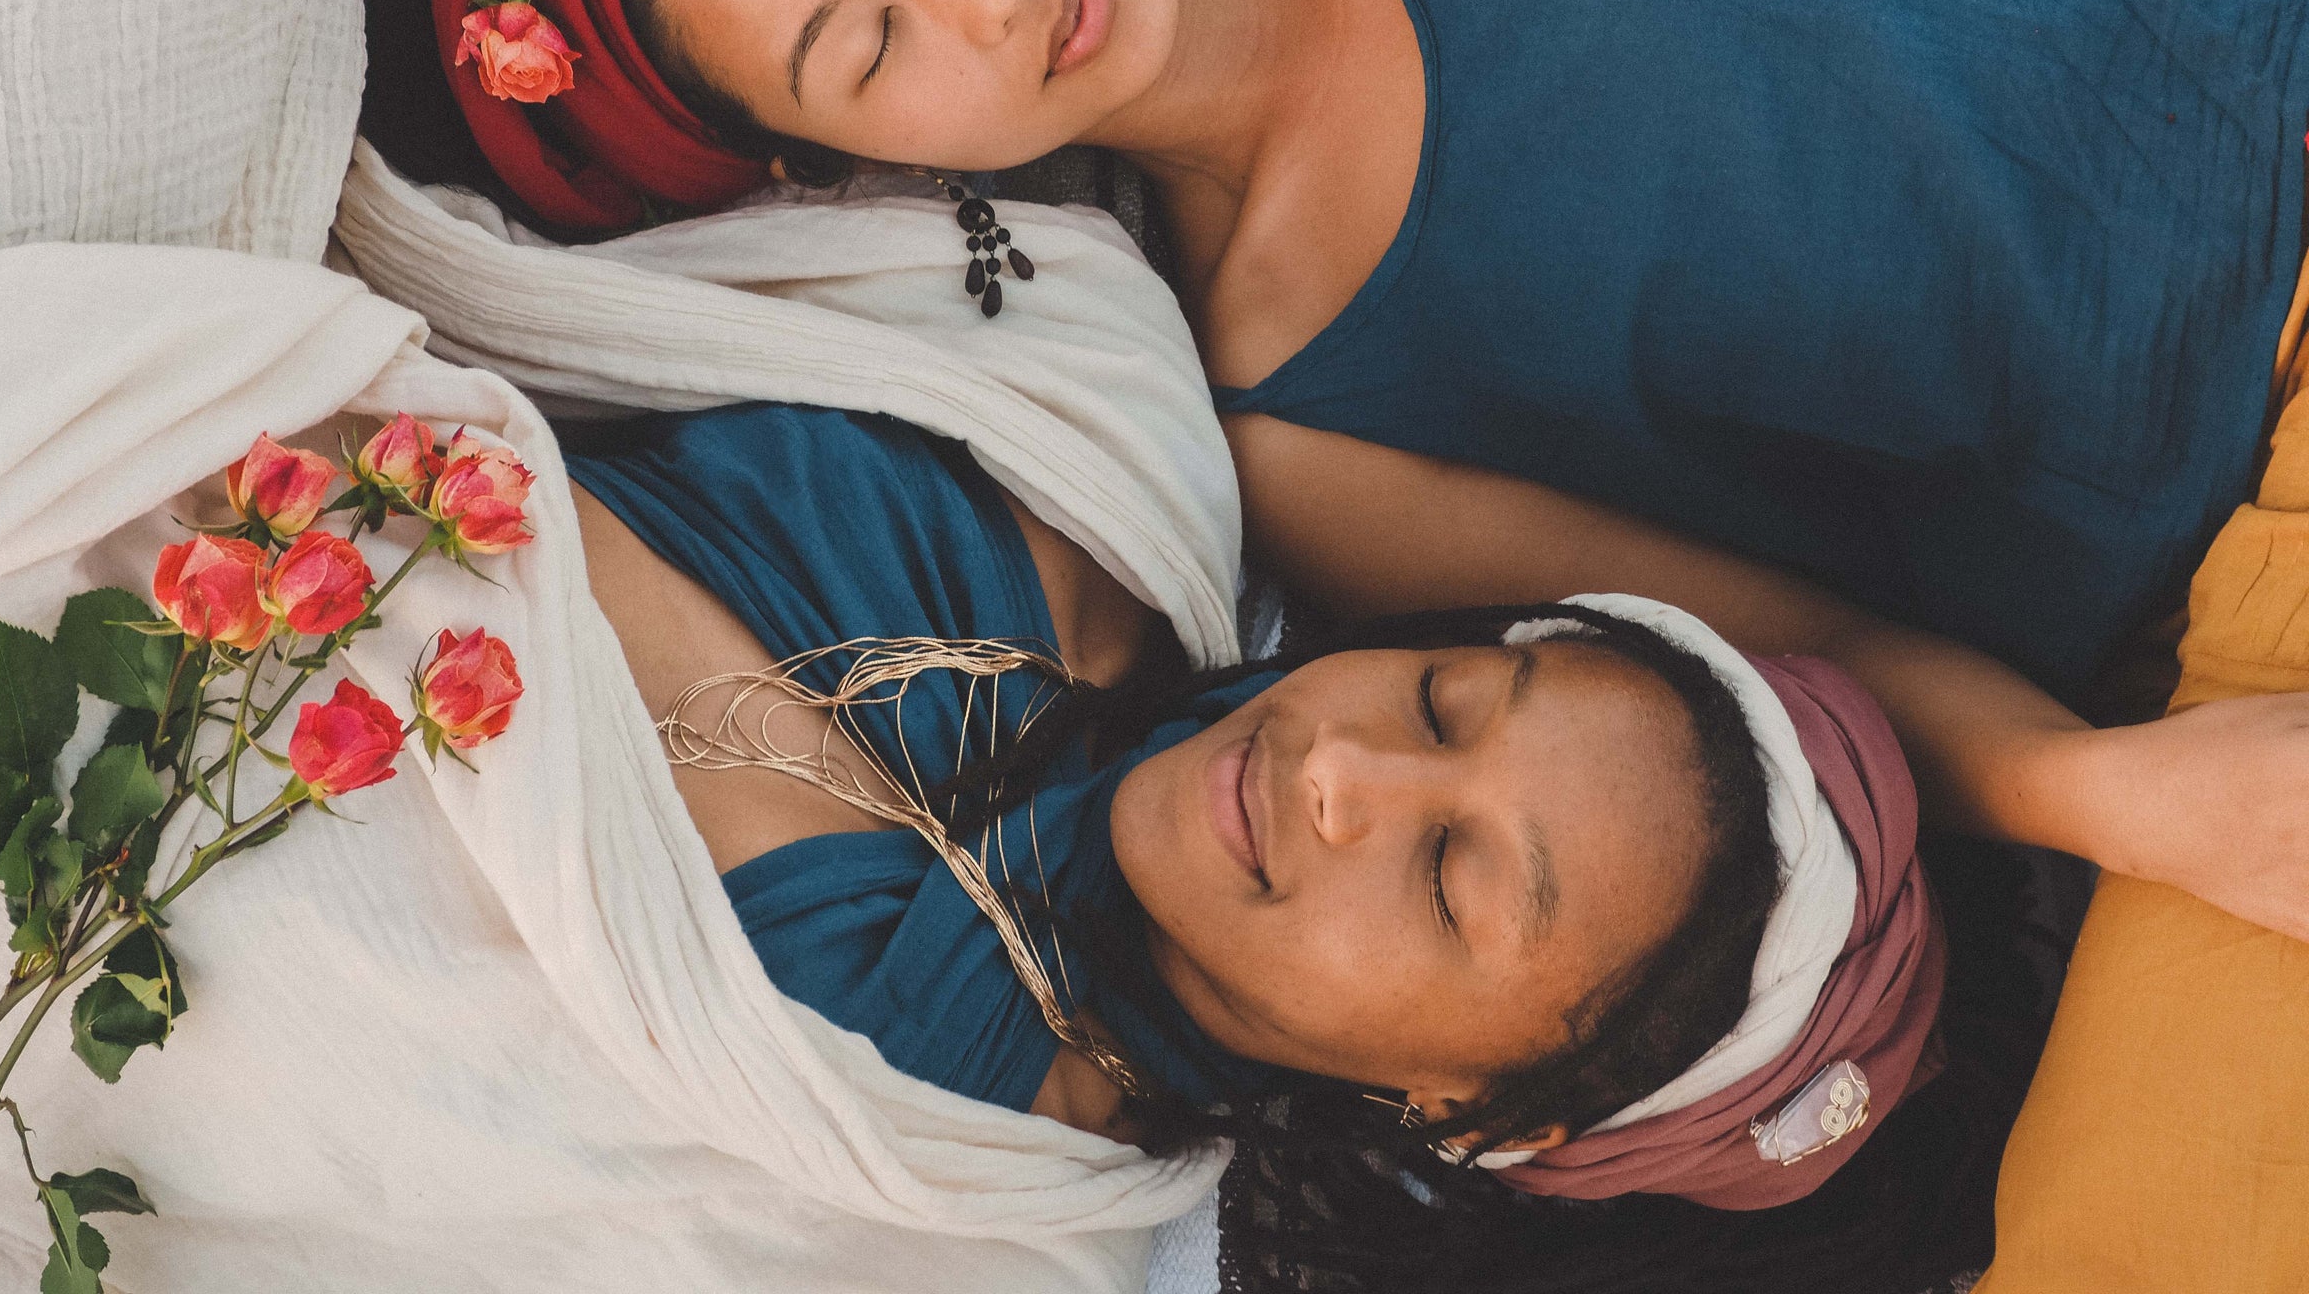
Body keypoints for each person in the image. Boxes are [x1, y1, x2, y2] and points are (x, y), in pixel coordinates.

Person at [362, 0, 2309, 950]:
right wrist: (2107, 798)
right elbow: (1825, 660)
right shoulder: (1314, 428)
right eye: (868, 49)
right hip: (2247, 548)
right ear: (827, 174)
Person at [553, 397, 1939, 1217]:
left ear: (1467, 1113)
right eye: (1442, 702)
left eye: (1450, 880)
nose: (1341, 772)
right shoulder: (1088, 475)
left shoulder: (955, 1183)